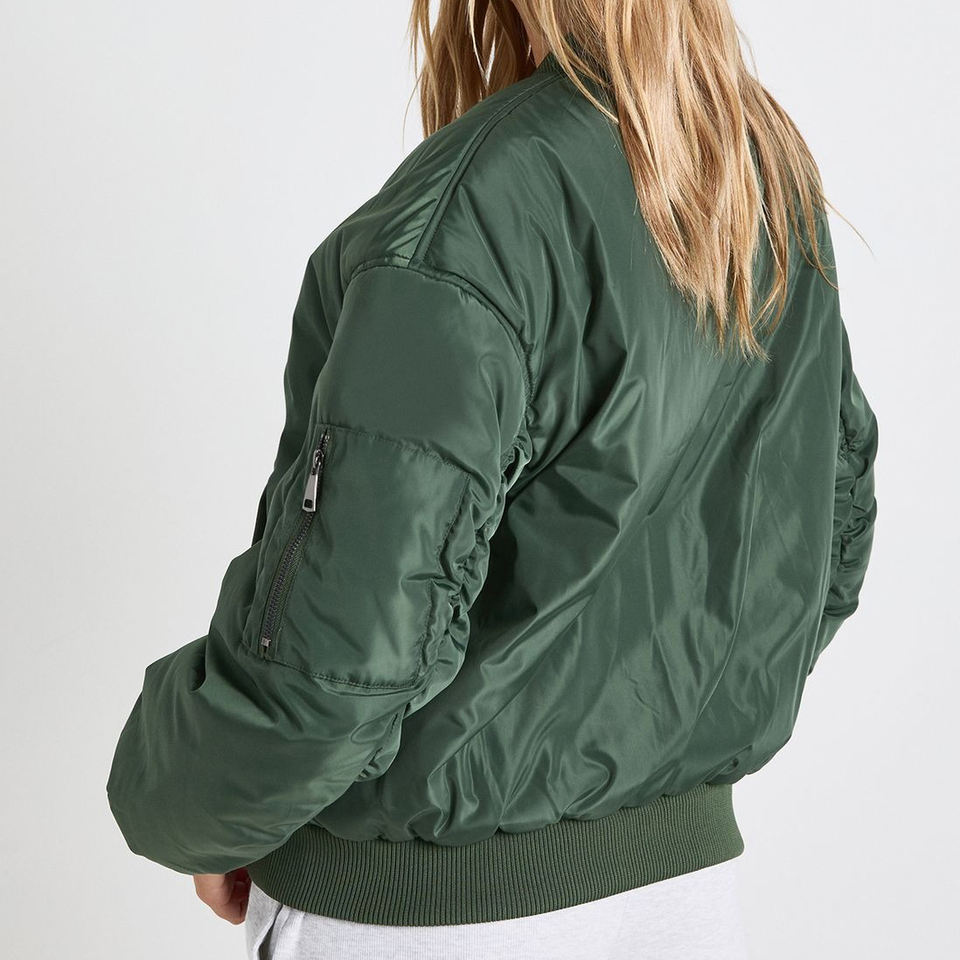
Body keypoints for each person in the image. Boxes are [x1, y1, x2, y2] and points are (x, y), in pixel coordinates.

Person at [106, 1, 880, 958]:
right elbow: (824, 538)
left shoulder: (478, 206)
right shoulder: (754, 172)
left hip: (432, 916)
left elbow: (346, 652)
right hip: (686, 902)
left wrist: (209, 810)